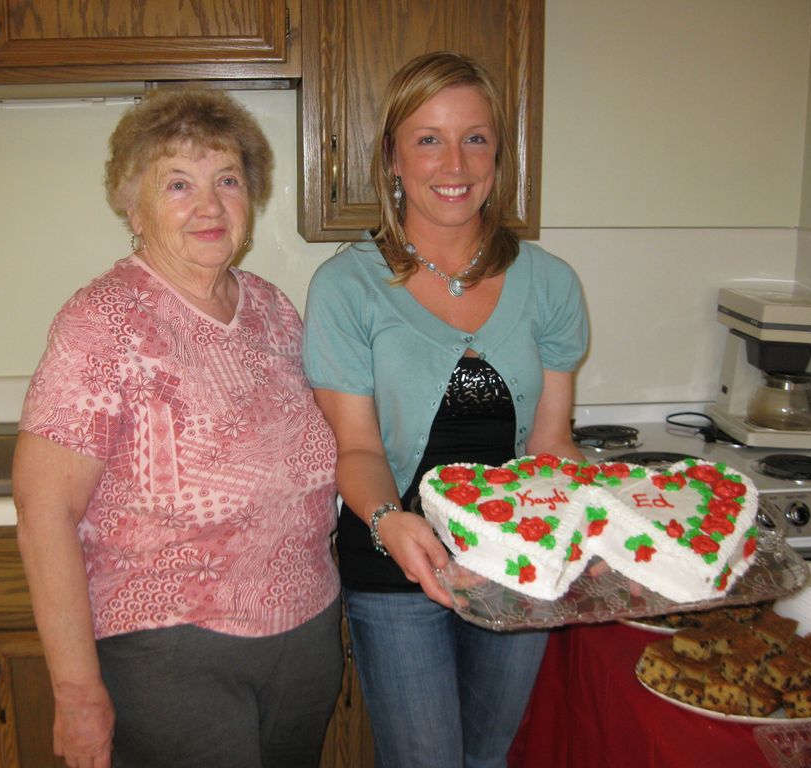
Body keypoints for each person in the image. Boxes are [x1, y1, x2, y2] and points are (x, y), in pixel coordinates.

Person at [13, 88, 342, 768]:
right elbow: (43, 509)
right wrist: (77, 693)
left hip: (304, 634)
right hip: (170, 652)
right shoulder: (104, 320)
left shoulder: (273, 311)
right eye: (178, 184)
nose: (209, 204)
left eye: (227, 179)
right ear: (133, 209)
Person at [302, 51, 589, 768]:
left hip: (517, 564)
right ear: (393, 159)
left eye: (475, 137)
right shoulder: (347, 289)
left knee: (489, 757)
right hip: (396, 559)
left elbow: (551, 443)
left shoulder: (550, 284)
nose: (453, 161)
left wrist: (602, 520)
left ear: (500, 153)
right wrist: (387, 522)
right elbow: (359, 452)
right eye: (428, 138)